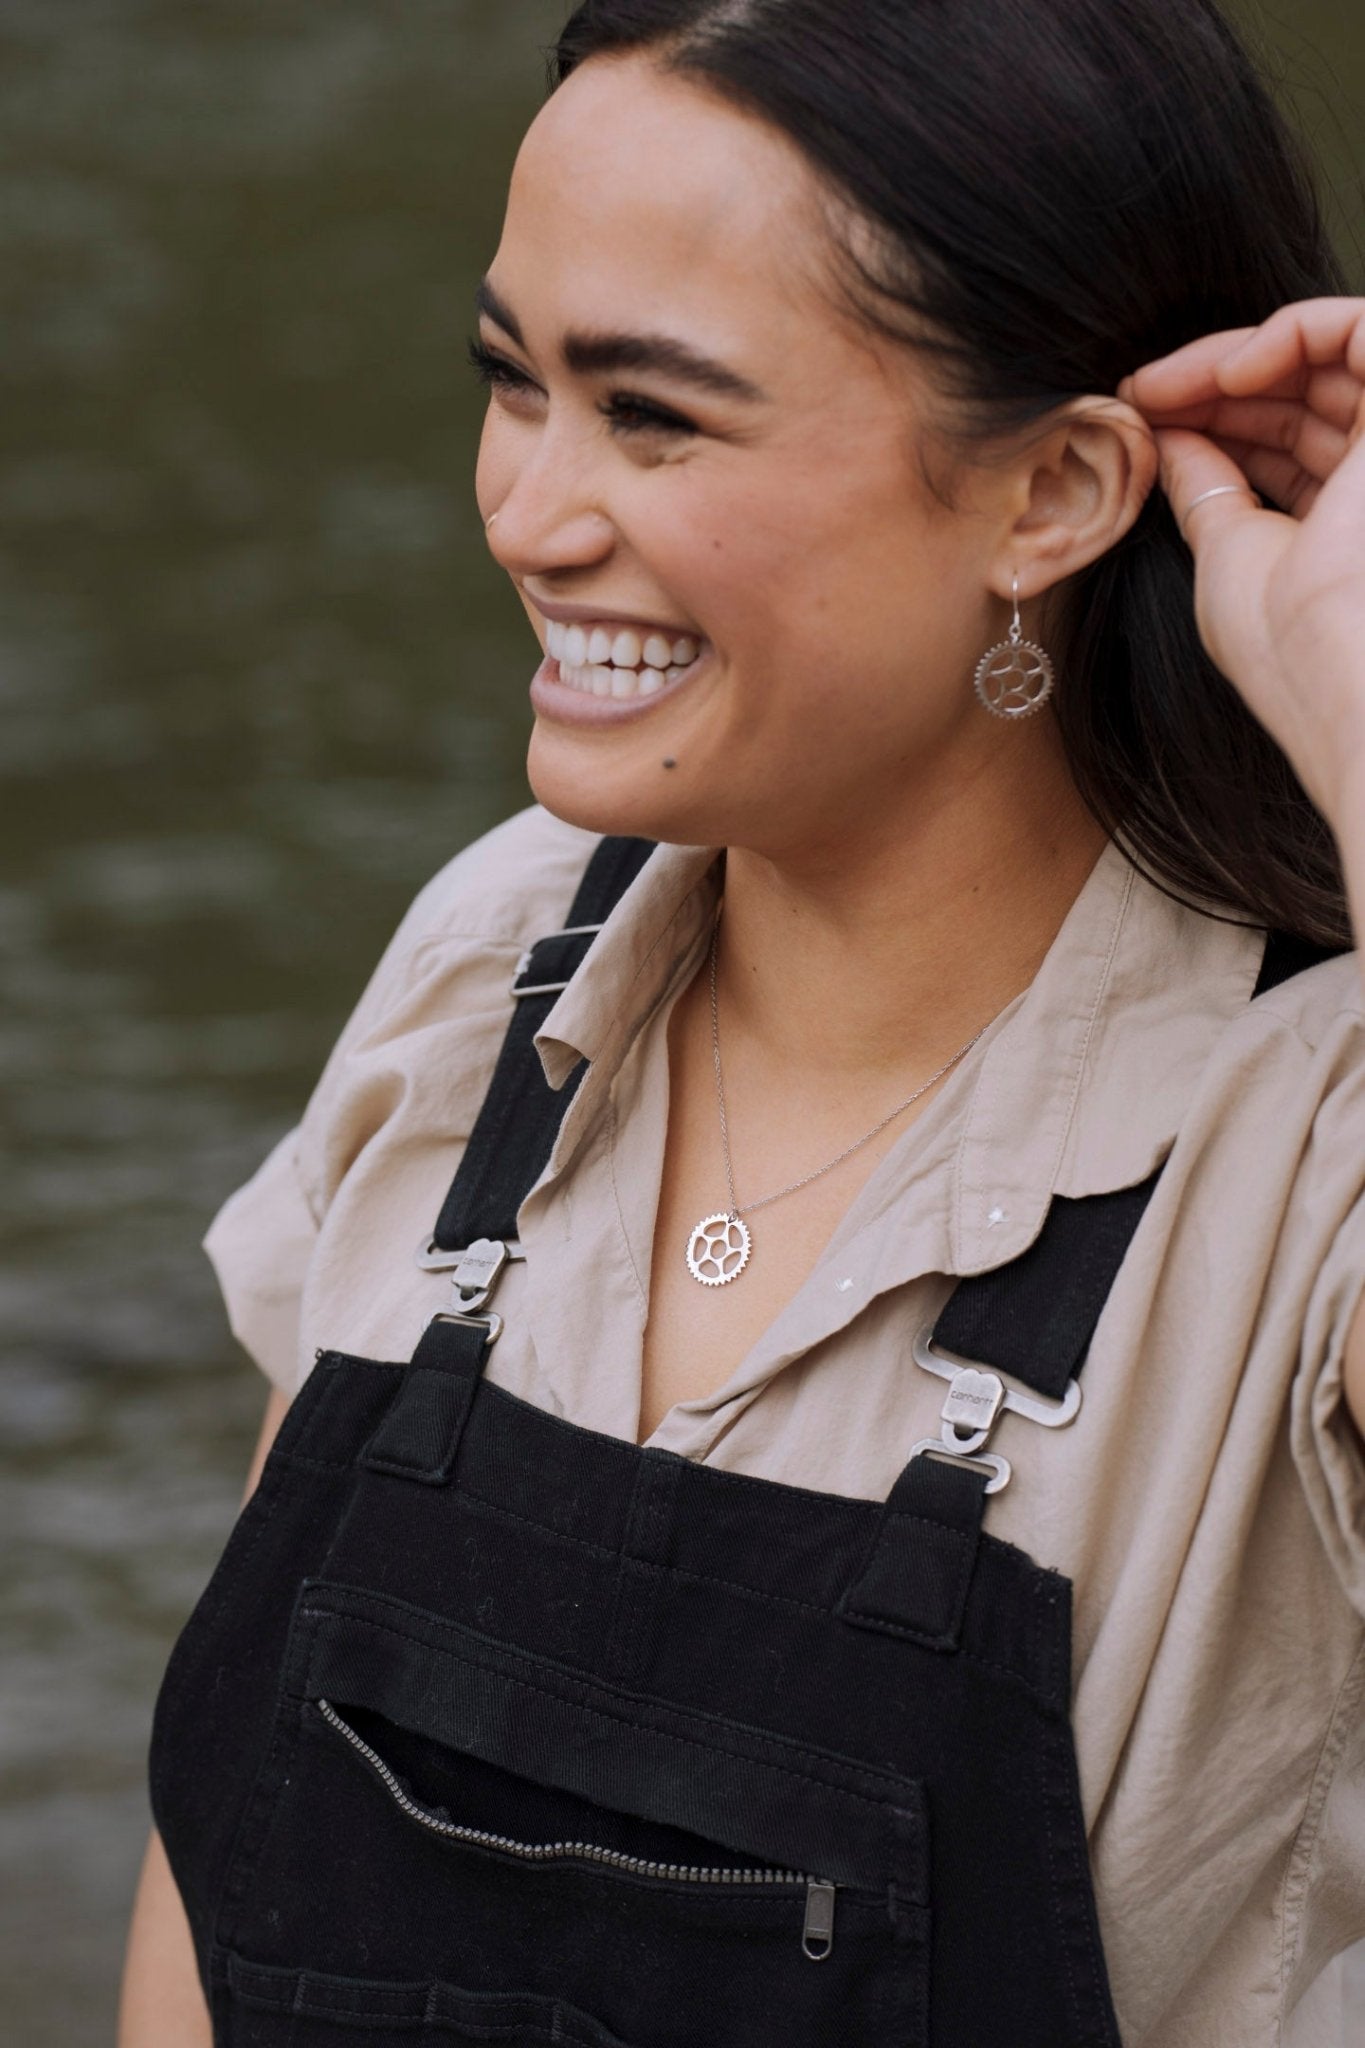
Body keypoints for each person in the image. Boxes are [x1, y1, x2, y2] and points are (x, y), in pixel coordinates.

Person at [119, 2, 1365, 2043]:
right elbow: (223, 1848)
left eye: (654, 416)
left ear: (1049, 491)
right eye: (512, 384)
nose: (527, 509)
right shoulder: (487, 947)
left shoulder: (1296, 1145)